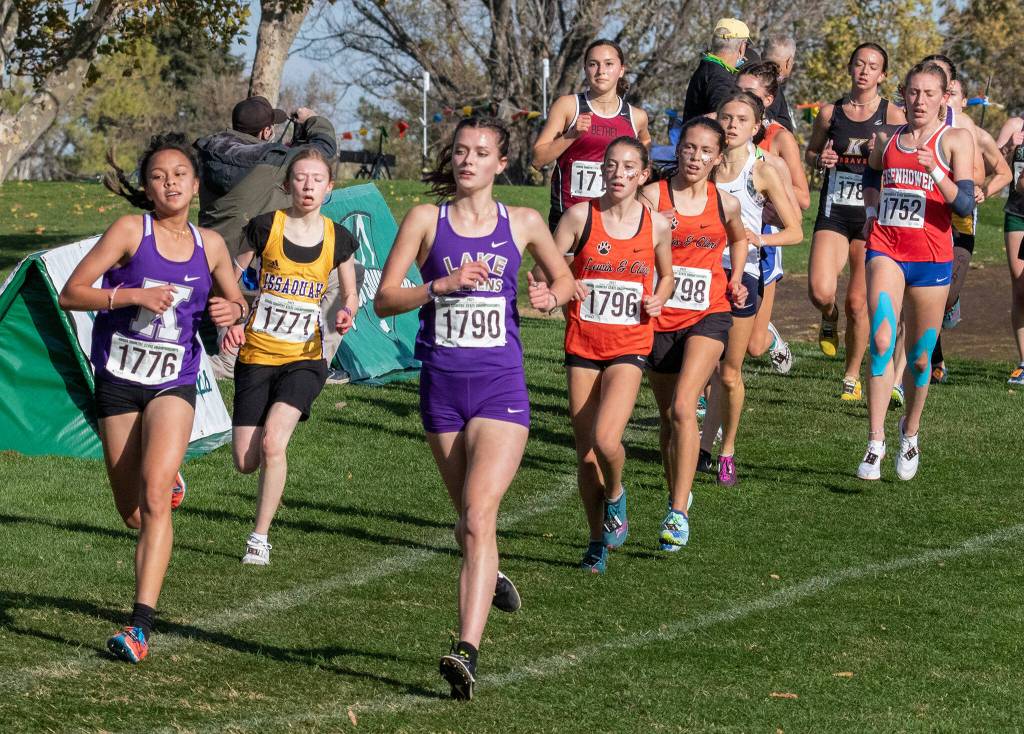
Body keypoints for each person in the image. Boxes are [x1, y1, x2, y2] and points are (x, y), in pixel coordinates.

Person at [374, 117, 575, 700]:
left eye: (480, 152)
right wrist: (440, 286)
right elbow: (386, 300)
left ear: (500, 163)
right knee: (467, 521)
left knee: (478, 515)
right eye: (460, 151)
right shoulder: (423, 220)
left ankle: (465, 651)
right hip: (440, 388)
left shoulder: (526, 222)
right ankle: (491, 571)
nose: (467, 161)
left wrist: (548, 293)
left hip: (499, 389)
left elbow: (567, 284)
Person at [58, 133, 247, 663]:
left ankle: (139, 628)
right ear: (147, 186)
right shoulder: (127, 231)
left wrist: (234, 318)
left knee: (156, 495)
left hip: (175, 379)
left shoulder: (210, 245)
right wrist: (132, 295)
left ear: (195, 185)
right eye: (160, 176)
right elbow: (70, 292)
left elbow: (236, 303)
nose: (170, 183)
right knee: (133, 510)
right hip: (118, 379)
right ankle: (162, 484)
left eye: (180, 175)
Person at [222, 147, 359, 566]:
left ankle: (258, 538)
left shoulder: (339, 238)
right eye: (300, 178)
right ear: (287, 185)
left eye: (317, 179)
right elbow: (229, 276)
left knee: (273, 442)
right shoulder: (265, 227)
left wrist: (347, 311)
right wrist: (236, 315)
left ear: (329, 187)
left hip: (305, 357)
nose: (308, 186)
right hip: (258, 354)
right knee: (246, 460)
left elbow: (350, 290)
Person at [552, 136, 673, 573]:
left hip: (629, 343)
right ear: (602, 170)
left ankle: (617, 495)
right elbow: (549, 265)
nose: (618, 174)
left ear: (643, 175)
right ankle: (596, 540)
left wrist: (659, 298)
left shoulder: (656, 224)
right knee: (586, 453)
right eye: (611, 166)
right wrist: (563, 284)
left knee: (607, 439)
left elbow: (667, 277)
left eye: (628, 167)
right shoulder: (579, 216)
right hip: (583, 342)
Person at [856, 61, 975, 481]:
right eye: (913, 92)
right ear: (902, 95)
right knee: (882, 337)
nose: (919, 101)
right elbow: (872, 171)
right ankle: (874, 441)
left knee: (921, 358)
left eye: (929, 94)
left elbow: (964, 206)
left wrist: (935, 171)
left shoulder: (956, 140)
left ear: (945, 98)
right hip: (886, 249)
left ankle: (910, 432)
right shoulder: (888, 138)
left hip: (932, 259)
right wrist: (871, 208)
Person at [641, 118, 749, 549]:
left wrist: (737, 277)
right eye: (689, 148)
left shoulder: (725, 204)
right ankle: (676, 494)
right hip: (659, 319)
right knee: (669, 419)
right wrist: (651, 227)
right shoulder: (652, 196)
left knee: (687, 406)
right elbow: (624, 236)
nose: (696, 157)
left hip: (710, 314)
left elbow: (738, 239)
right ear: (677, 150)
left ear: (717, 158)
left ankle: (679, 512)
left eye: (706, 151)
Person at [194, 98, 358, 382]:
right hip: (259, 272)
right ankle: (317, 361)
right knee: (346, 274)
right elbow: (324, 152)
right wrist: (311, 119)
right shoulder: (272, 161)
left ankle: (227, 350)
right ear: (267, 132)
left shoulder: (209, 153)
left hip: (213, 271)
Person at [697, 92, 802, 485]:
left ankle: (726, 450)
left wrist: (758, 240)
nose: (732, 124)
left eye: (742, 119)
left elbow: (795, 231)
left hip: (744, 275)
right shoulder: (704, 162)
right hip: (702, 273)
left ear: (756, 127)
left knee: (729, 372)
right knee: (702, 368)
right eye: (726, 117)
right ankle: (702, 448)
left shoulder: (762, 171)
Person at [804, 43, 905, 400]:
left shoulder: (893, 114)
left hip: (871, 215)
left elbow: (902, 158)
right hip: (833, 210)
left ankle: (851, 376)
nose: (865, 70)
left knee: (858, 303)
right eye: (859, 63)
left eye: (873, 66)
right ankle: (828, 316)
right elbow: (811, 151)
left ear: (883, 75)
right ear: (850, 67)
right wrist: (821, 158)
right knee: (821, 291)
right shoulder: (830, 112)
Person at [928, 79, 1012, 382]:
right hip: (929, 218)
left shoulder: (975, 134)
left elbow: (1003, 172)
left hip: (961, 221)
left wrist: (984, 191)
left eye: (954, 93)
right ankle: (933, 359)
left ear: (964, 102)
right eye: (944, 92)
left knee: (946, 297)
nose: (947, 97)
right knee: (927, 295)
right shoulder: (919, 129)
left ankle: (953, 300)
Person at [736, 60, 810, 374]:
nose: (740, 99)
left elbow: (804, 199)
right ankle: (704, 397)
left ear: (767, 101)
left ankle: (771, 335)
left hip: (764, 239)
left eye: (749, 94)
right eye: (736, 91)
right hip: (721, 236)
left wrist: (766, 182)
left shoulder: (780, 140)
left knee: (753, 345)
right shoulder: (722, 128)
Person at [533, 38, 651, 232]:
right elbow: (538, 159)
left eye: (609, 64)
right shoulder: (568, 106)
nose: (601, 71)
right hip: (569, 215)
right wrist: (571, 135)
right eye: (593, 64)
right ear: (585, 69)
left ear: (621, 70)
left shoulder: (636, 117)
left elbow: (645, 141)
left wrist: (643, 168)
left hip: (615, 217)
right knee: (556, 264)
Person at [996, 114, 1024, 385]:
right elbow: (992, 164)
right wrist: (1009, 148)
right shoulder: (1016, 125)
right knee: (1019, 287)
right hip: (1017, 213)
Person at [681, 18, 749, 122]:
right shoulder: (719, 76)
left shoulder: (708, 68)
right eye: (747, 45)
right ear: (742, 47)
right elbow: (724, 113)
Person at [761, 36, 797, 132]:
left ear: (761, 56)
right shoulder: (772, 87)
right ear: (789, 62)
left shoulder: (747, 80)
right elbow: (766, 123)